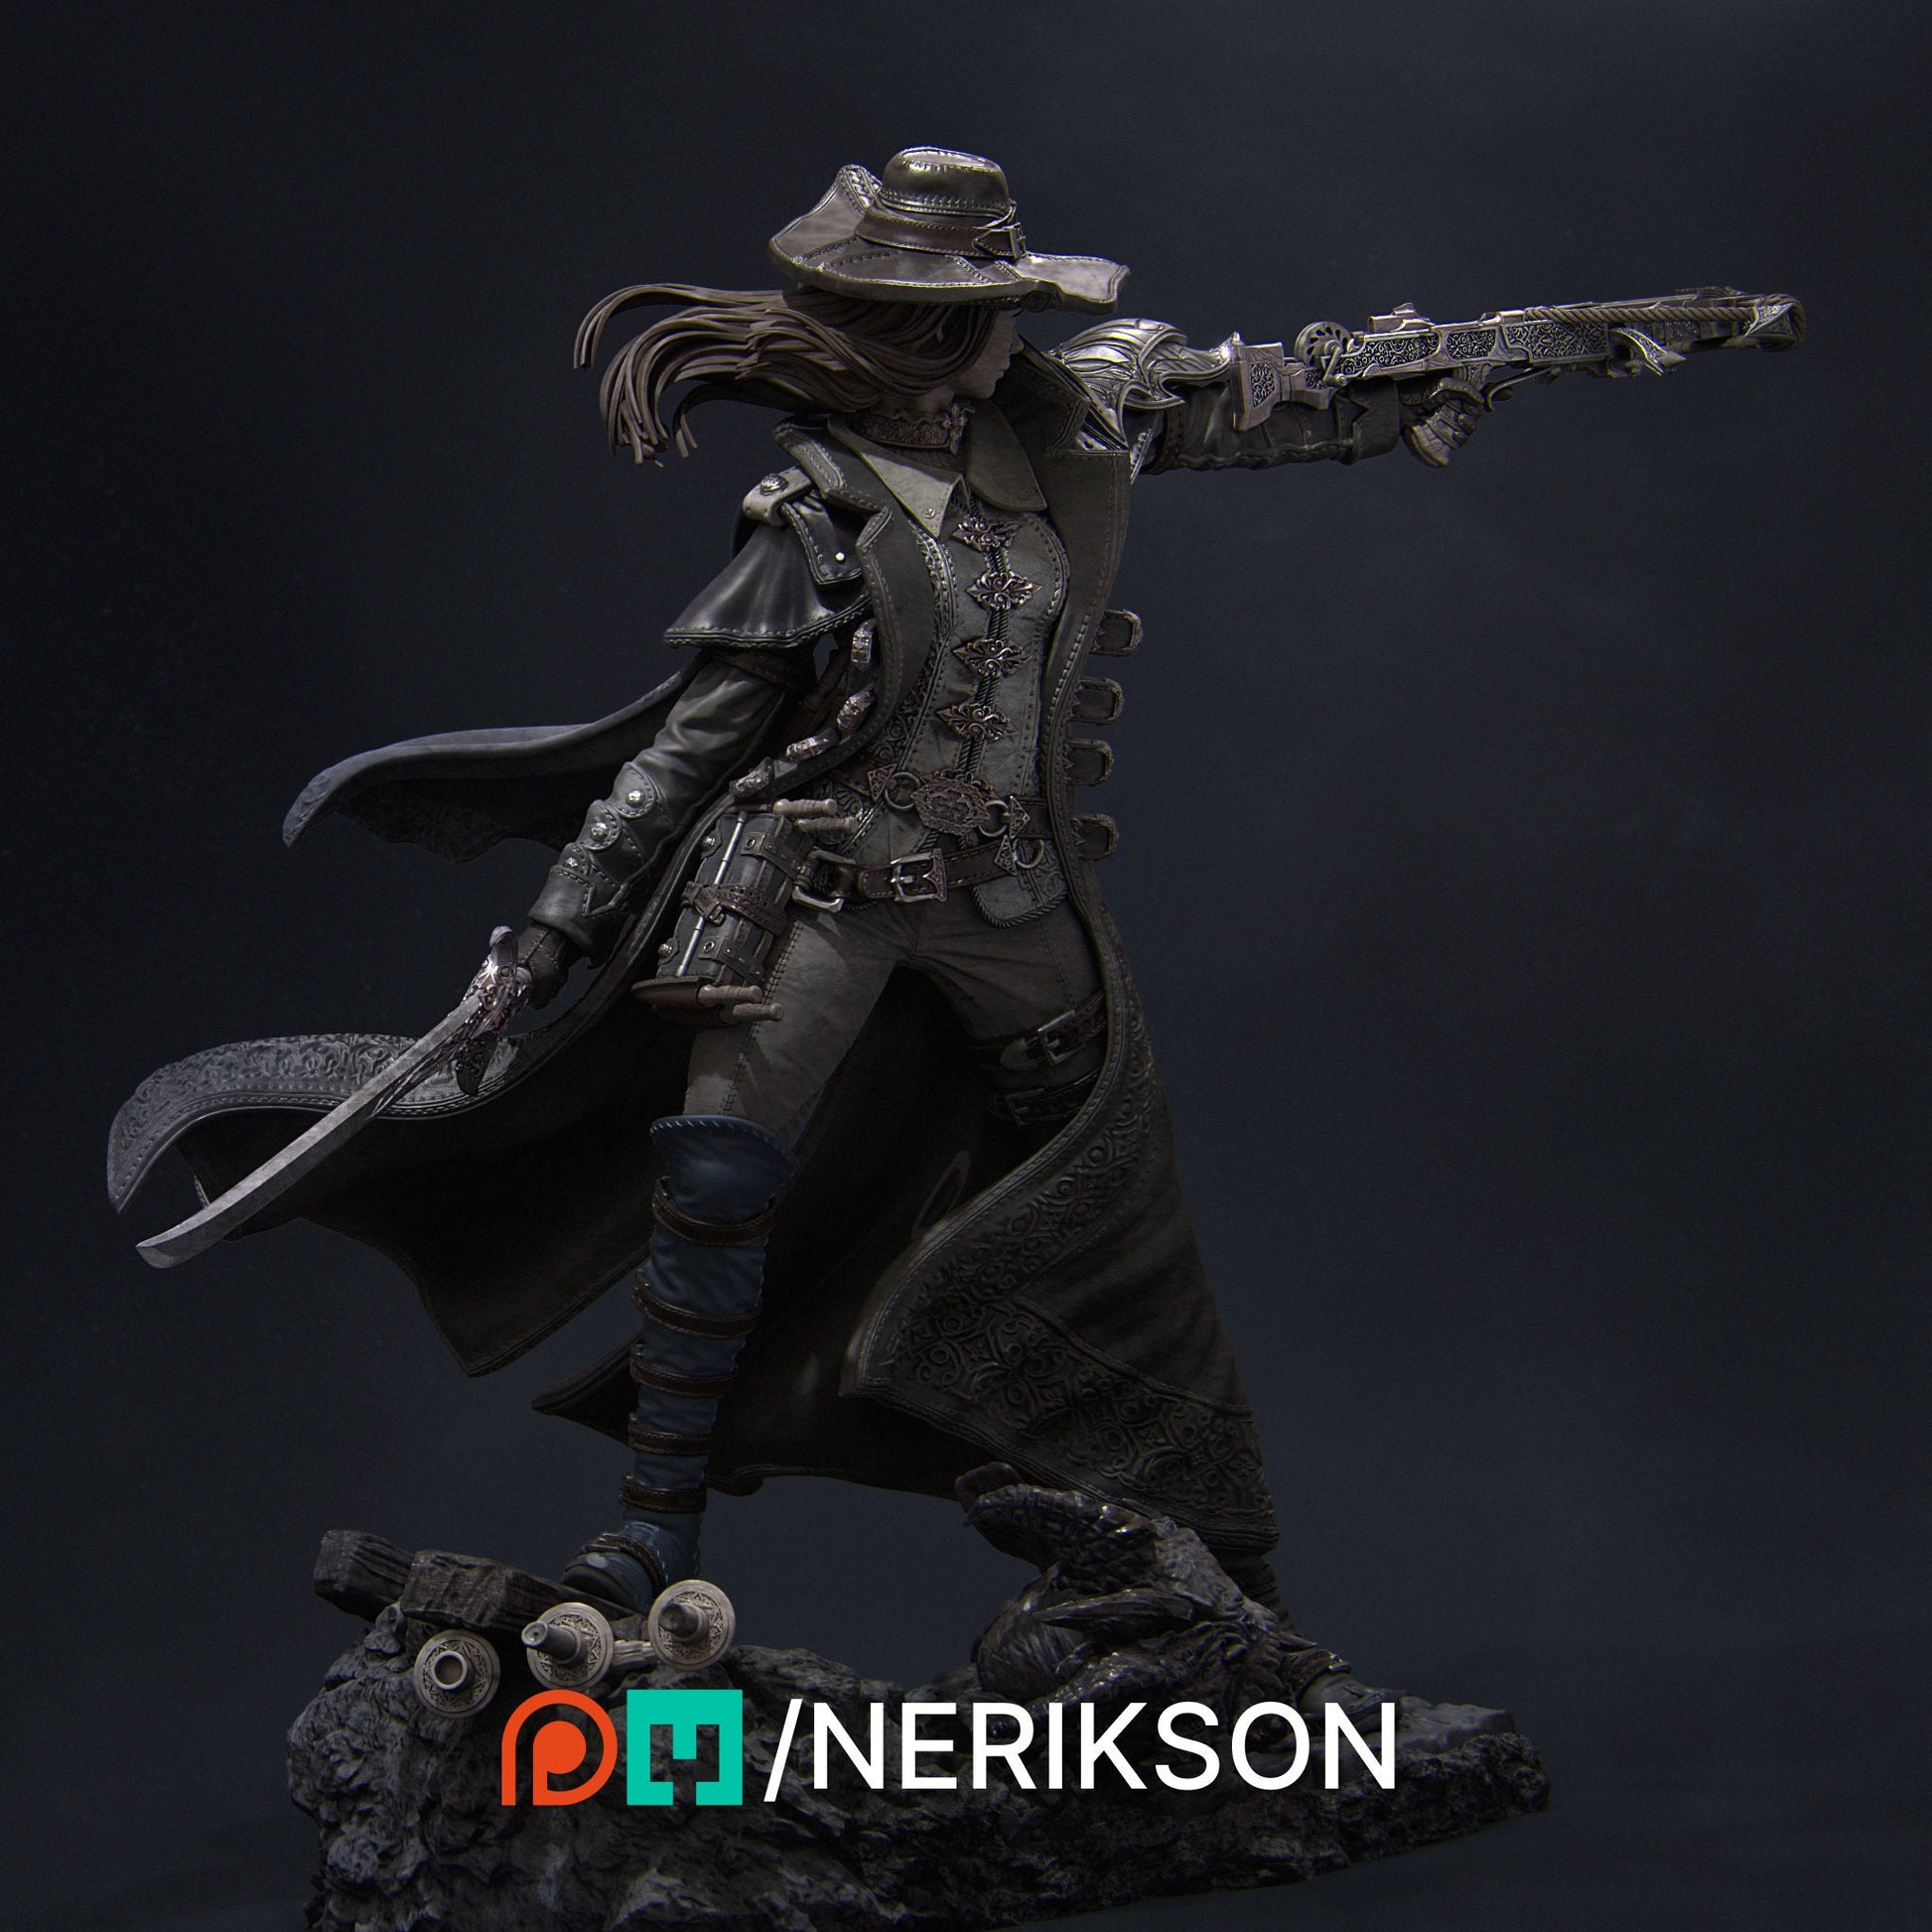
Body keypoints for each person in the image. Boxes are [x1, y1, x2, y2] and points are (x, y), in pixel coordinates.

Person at [109, 148, 1776, 1650]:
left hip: (1013, 896)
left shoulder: (1064, 428)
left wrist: (1502, 357)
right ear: (909, 334)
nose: (1004, 337)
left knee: (1102, 1180)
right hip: (824, 891)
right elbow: (686, 755)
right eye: (976, 315)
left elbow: (1276, 396)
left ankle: (1188, 1534)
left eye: (1002, 311)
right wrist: (555, 927)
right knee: (714, 1177)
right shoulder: (814, 518)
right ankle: (648, 1538)